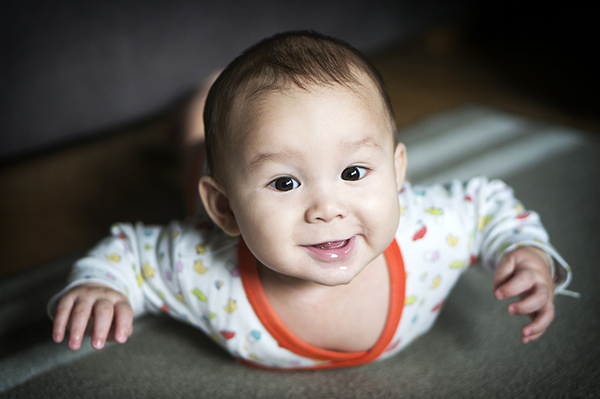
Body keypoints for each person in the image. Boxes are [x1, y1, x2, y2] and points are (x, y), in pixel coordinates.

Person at [48, 30, 572, 370]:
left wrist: (520, 247)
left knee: (223, 139)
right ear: (226, 208)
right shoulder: (199, 265)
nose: (327, 208)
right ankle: (196, 116)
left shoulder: (428, 234)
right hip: (204, 189)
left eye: (352, 172)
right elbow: (133, 253)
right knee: (196, 145)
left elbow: (486, 206)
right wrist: (101, 285)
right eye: (285, 183)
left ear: (397, 174)